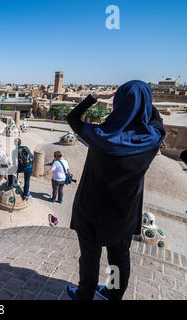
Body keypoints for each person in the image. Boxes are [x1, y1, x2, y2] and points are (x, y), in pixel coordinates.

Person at [65, 80, 165, 301]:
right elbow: (157, 120)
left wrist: (94, 96)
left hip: (90, 209)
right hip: (124, 213)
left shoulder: (99, 135)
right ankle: (113, 294)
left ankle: (85, 295)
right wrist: (144, 101)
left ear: (118, 103)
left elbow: (72, 118)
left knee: (89, 257)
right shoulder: (152, 139)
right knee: (119, 259)